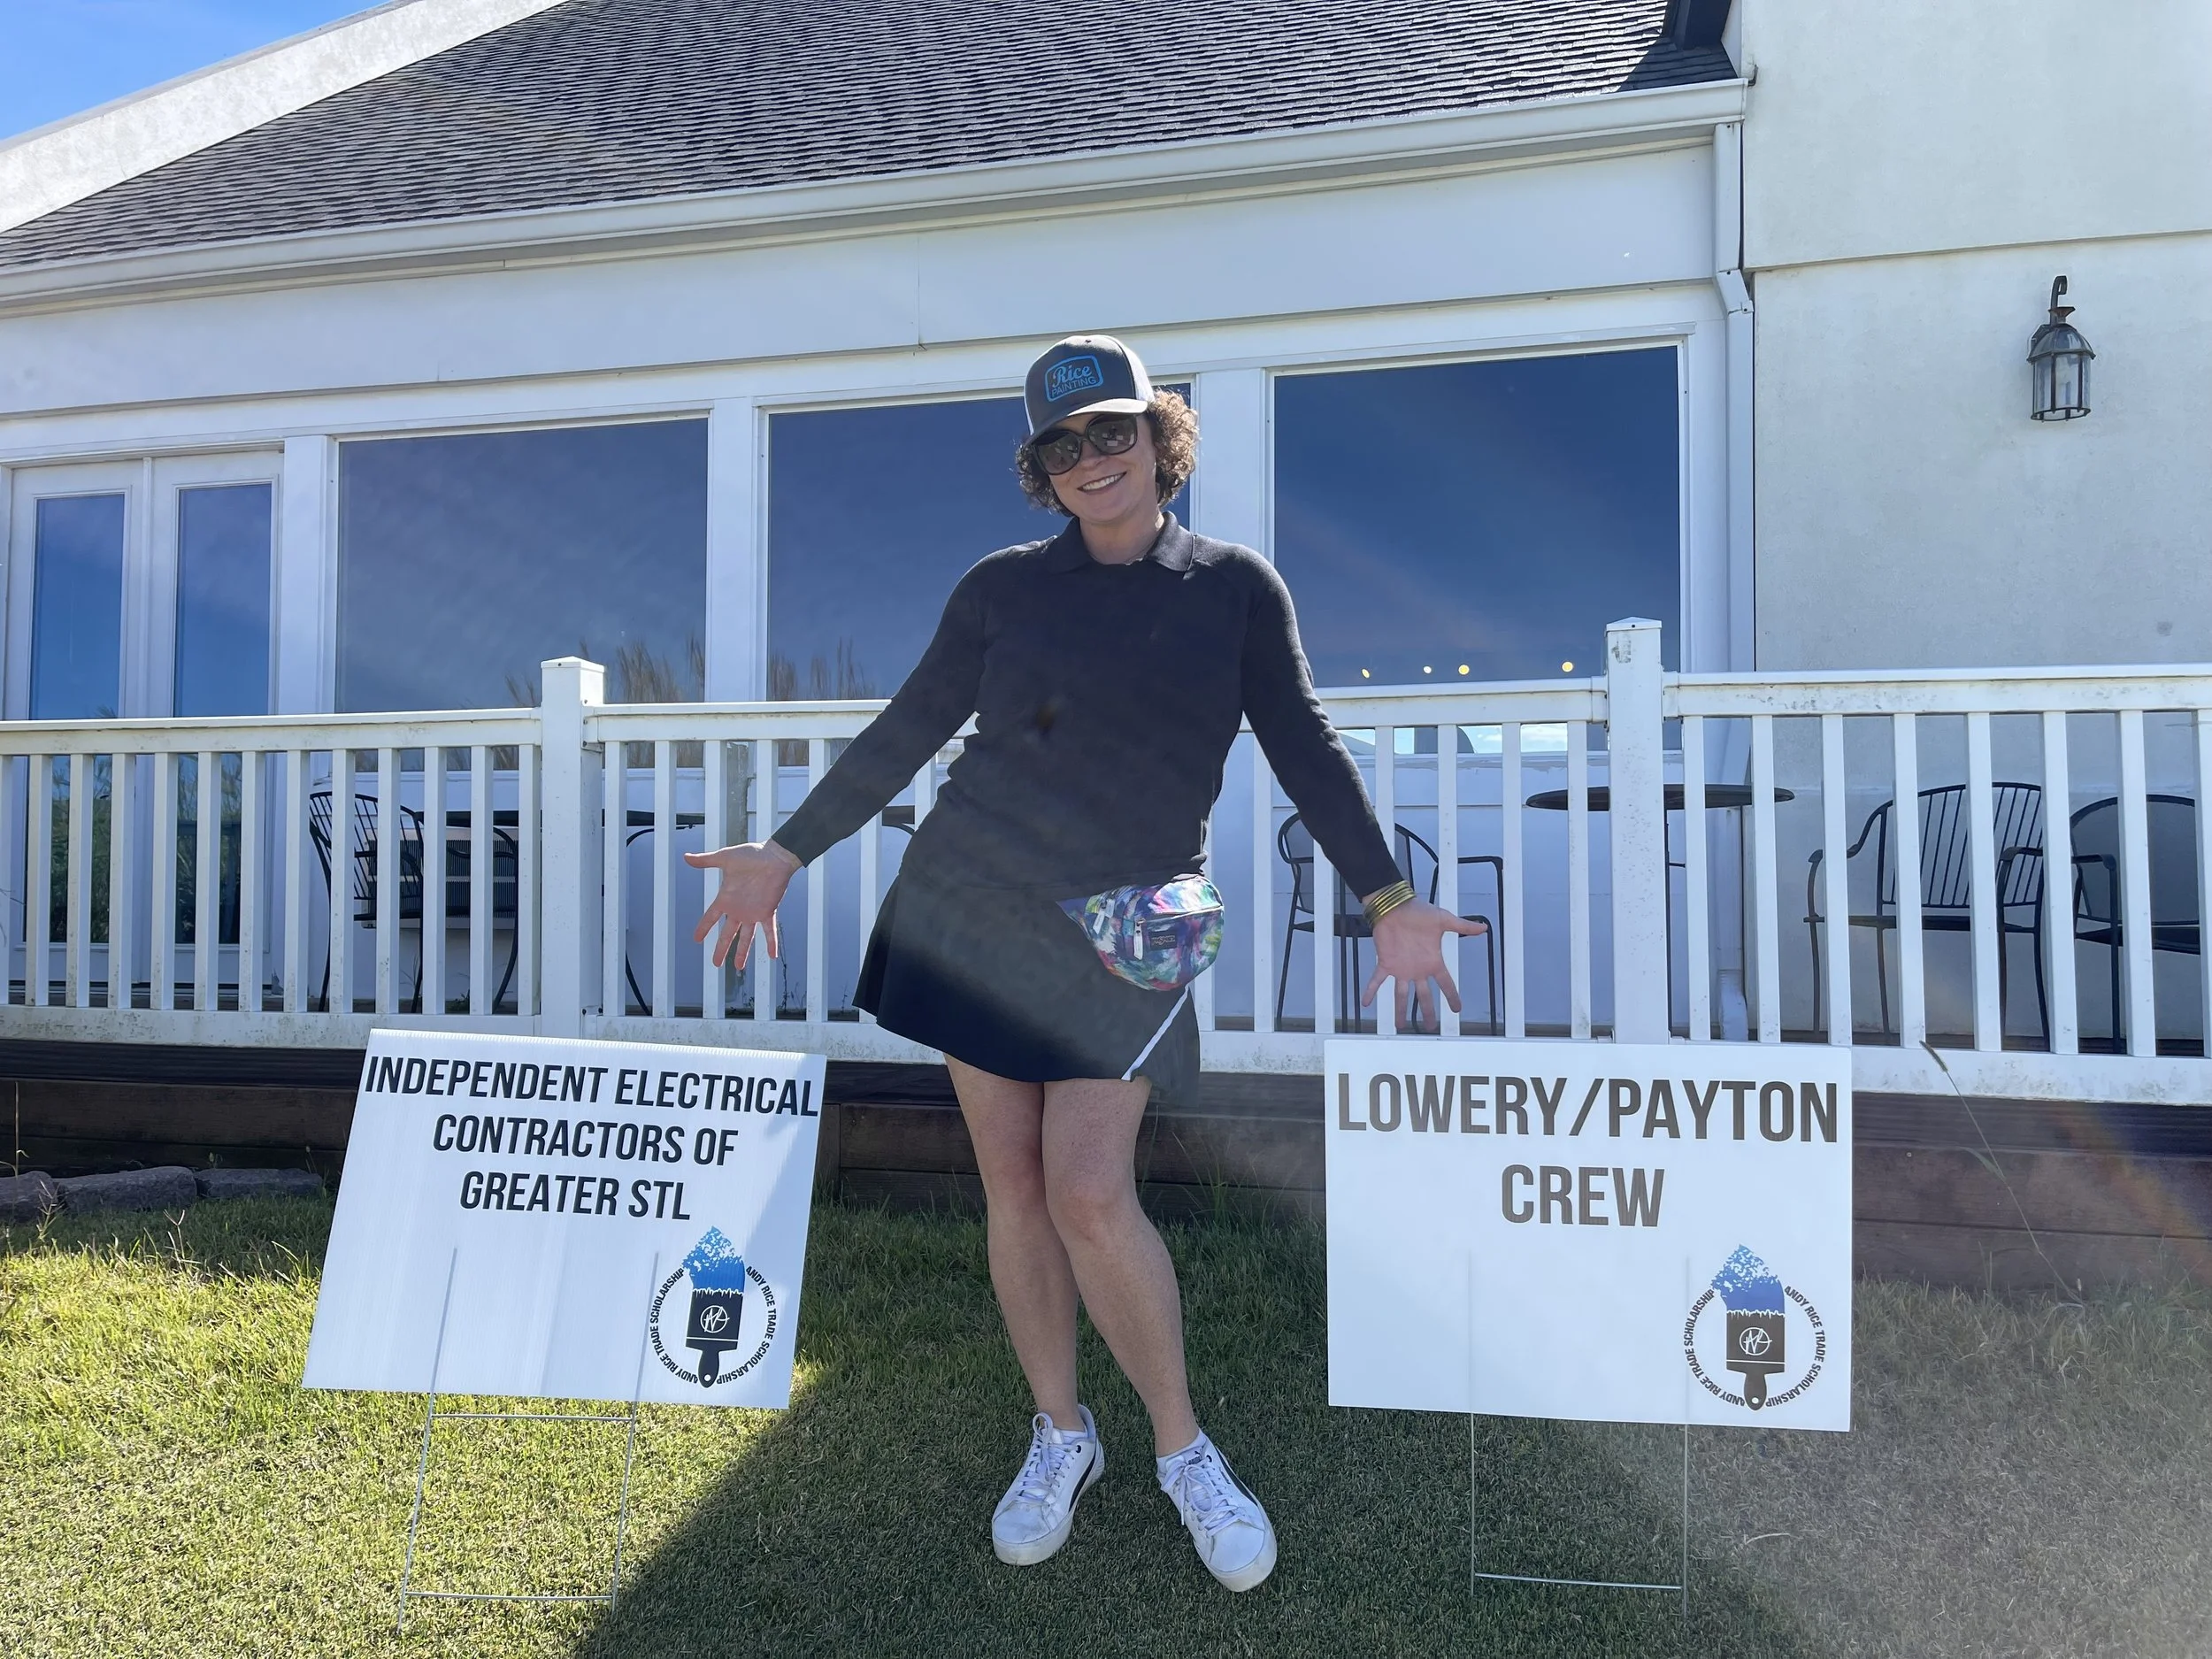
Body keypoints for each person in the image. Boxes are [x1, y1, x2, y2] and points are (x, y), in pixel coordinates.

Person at [687, 334, 1483, 1594]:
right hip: (975, 903)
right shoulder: (1001, 589)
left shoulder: (1234, 588)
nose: (1091, 459)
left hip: (1142, 916)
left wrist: (1387, 896)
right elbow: (910, 726)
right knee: (1014, 1186)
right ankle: (1062, 1430)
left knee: (1091, 1192)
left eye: (1114, 431)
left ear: (1161, 439)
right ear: (1041, 469)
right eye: (1063, 445)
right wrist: (788, 851)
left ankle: (1183, 1448)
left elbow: (1305, 744)